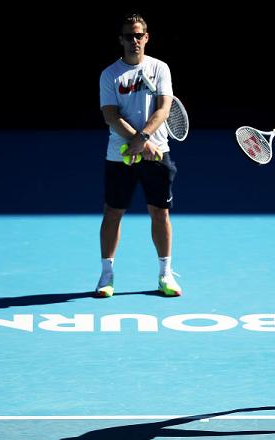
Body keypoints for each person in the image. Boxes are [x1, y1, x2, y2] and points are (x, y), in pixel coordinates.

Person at [96, 13, 182, 298]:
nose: (134, 40)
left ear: (146, 38)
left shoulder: (160, 69)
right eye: (129, 36)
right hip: (120, 155)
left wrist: (142, 139)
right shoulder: (109, 74)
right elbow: (110, 115)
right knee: (113, 213)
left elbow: (163, 109)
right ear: (121, 40)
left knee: (160, 212)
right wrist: (141, 143)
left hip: (158, 154)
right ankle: (106, 276)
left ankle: (165, 274)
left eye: (139, 35)